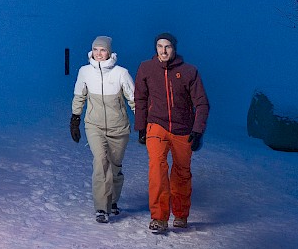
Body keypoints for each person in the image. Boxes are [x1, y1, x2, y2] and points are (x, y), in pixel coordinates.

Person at [133, 32, 210, 234]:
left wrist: (197, 131)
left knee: (181, 172)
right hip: (156, 126)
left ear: (174, 48)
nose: (163, 50)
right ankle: (158, 217)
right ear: (155, 48)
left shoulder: (188, 72)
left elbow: (201, 103)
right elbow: (140, 99)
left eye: (167, 46)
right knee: (157, 170)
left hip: (183, 129)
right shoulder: (146, 69)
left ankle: (181, 214)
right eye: (159, 46)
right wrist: (141, 127)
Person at [69, 35, 136, 222]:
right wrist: (75, 119)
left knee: (114, 166)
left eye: (103, 50)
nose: (99, 54)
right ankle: (101, 208)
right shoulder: (84, 72)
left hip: (119, 128)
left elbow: (134, 99)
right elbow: (79, 96)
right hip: (94, 125)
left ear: (109, 52)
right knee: (101, 162)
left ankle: (113, 201)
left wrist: (143, 122)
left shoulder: (121, 73)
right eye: (96, 49)